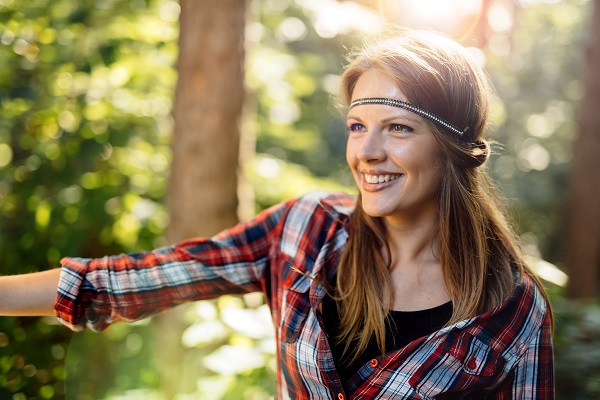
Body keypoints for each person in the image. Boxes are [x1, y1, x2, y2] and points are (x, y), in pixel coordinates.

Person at [0, 29, 554, 399]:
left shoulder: (514, 310)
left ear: (453, 145)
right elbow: (135, 281)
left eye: (399, 128)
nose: (366, 152)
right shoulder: (303, 230)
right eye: (359, 126)